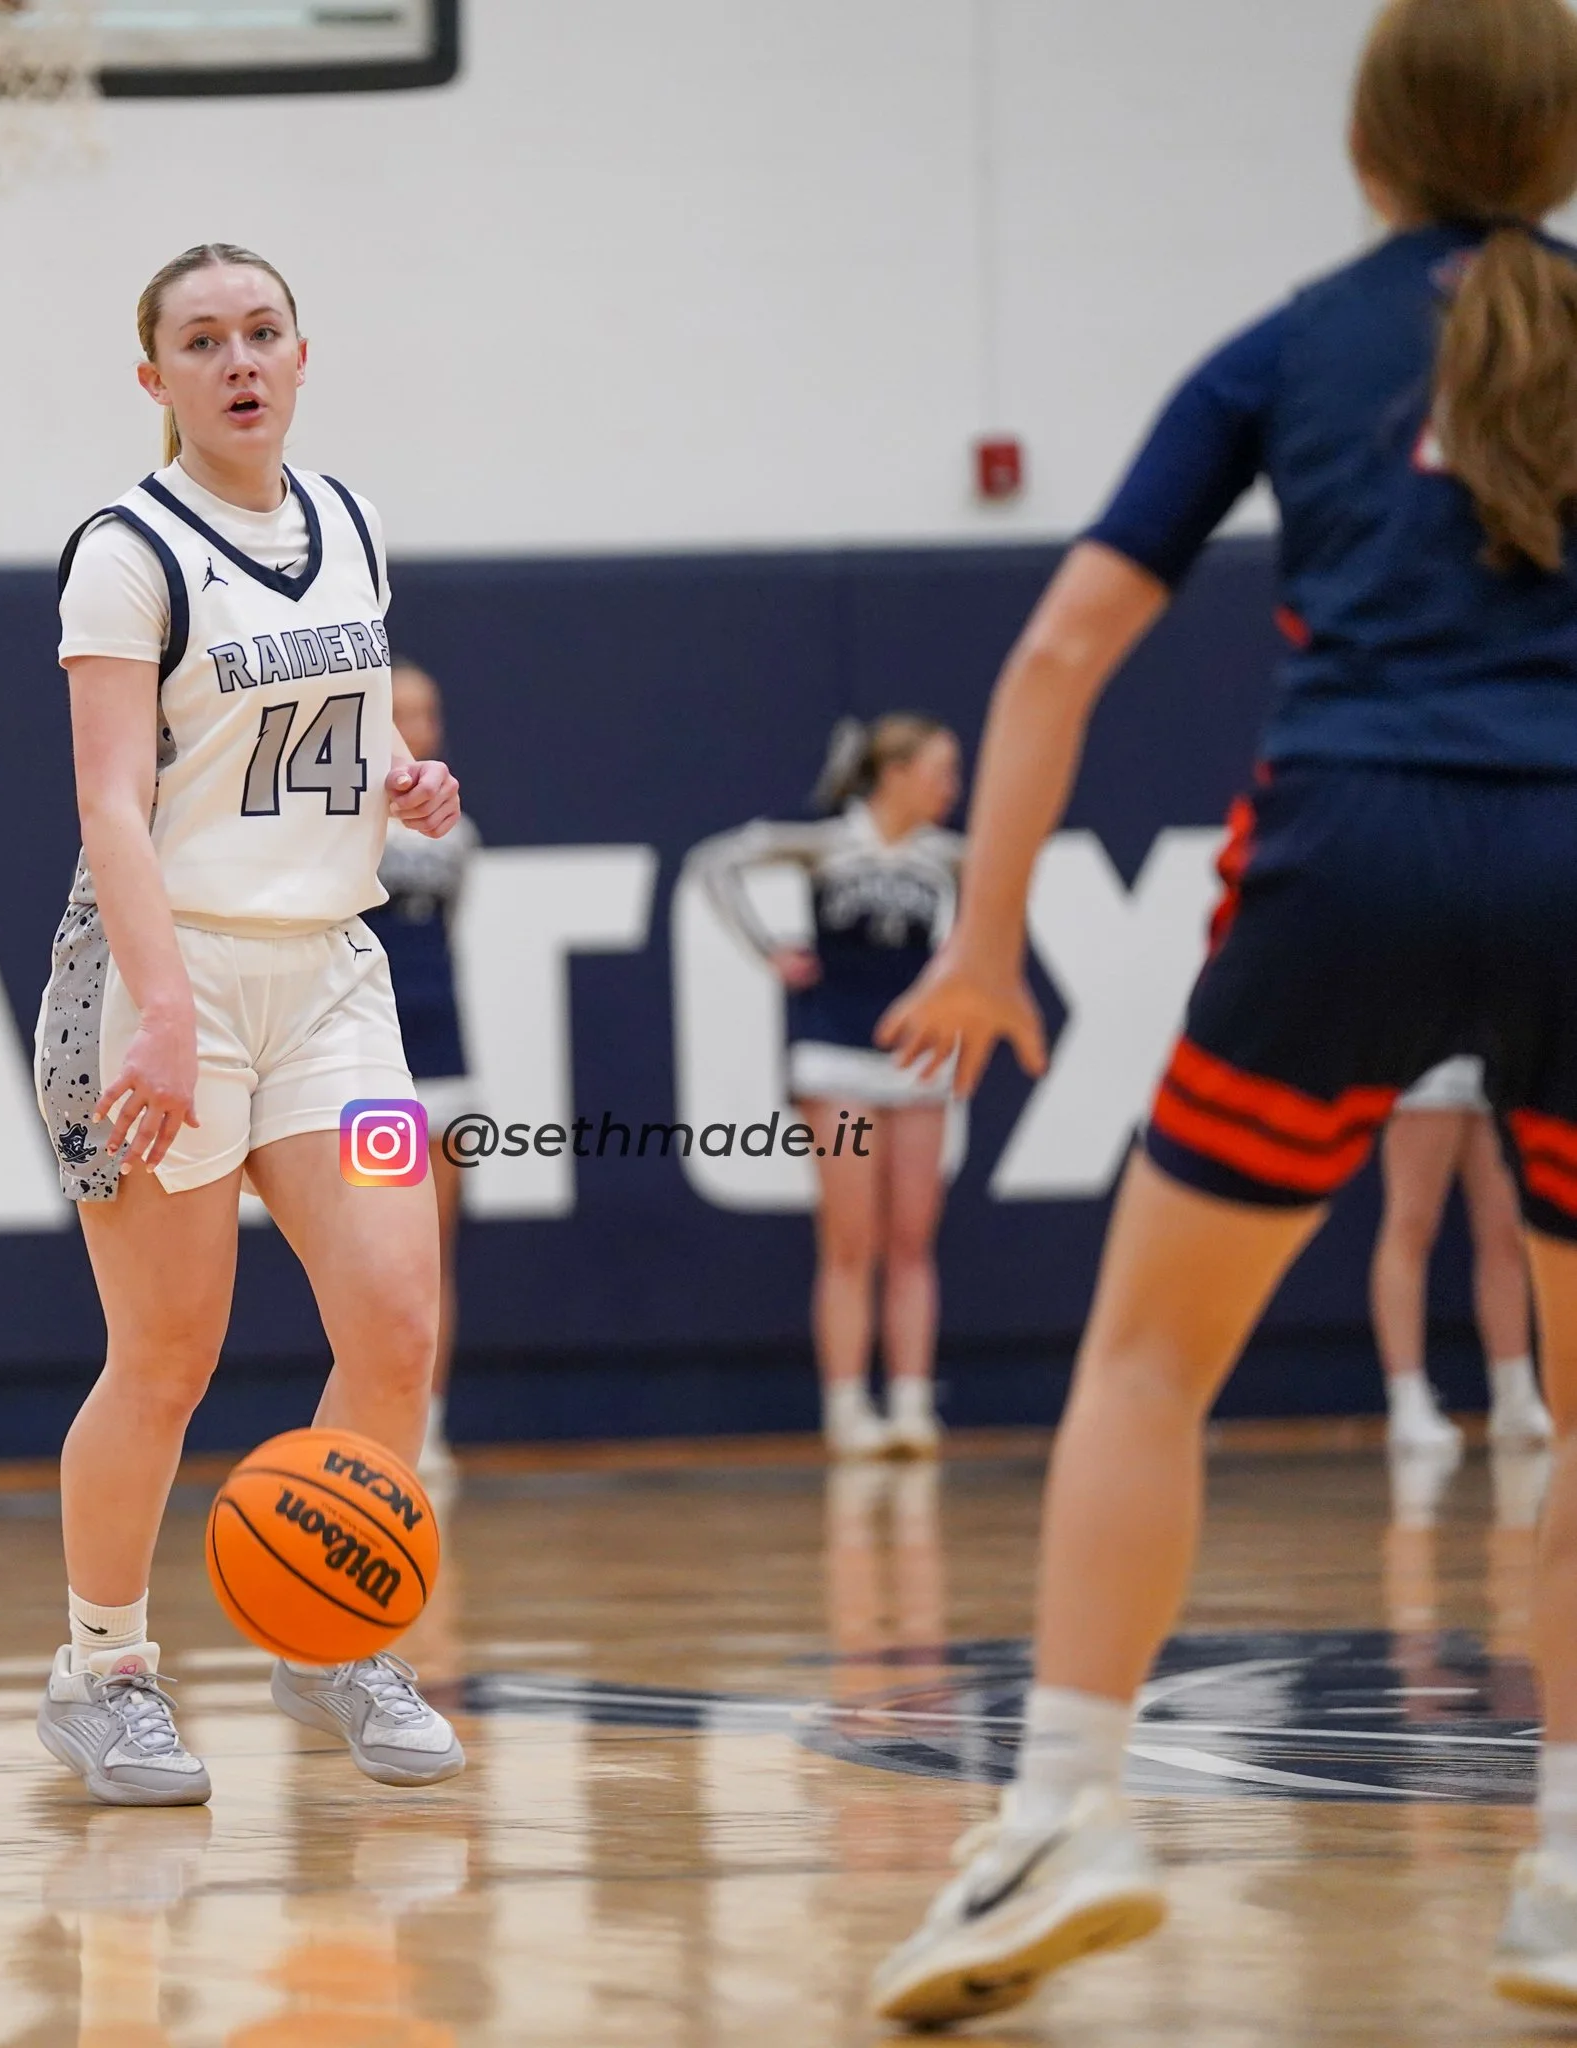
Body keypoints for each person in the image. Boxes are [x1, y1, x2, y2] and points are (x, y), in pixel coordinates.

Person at [866, 0, 1577, 2021]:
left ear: (1365, 145)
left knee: (1145, 1363)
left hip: (1342, 856)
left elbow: (1053, 655)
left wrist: (986, 942)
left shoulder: (1284, 342)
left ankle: (1058, 1815)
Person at [30, 243, 466, 1807]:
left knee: (398, 1324)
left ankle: (334, 1635)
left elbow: (327, 741)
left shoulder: (346, 519)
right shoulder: (126, 549)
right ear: (155, 379)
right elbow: (109, 801)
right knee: (168, 1354)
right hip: (167, 979)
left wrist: (399, 782)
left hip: (332, 976)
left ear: (300, 351)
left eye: (262, 331)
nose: (238, 359)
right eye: (202, 340)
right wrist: (156, 1015)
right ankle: (104, 1670)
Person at [690, 715, 964, 1457]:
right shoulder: (823, 842)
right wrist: (766, 949)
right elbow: (716, 863)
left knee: (912, 1239)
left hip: (914, 1058)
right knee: (851, 1241)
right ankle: (846, 1408)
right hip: (834, 1055)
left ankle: (910, 1405)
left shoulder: (945, 856)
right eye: (940, 770)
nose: (951, 787)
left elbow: (1002, 897)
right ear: (895, 772)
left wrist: (958, 976)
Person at [373, 660, 481, 1481]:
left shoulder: (458, 828)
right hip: (366, 1059)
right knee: (374, 1254)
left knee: (431, 1255)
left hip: (441, 1053)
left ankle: (429, 1424)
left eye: (430, 709)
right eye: (403, 709)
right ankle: (378, 1426)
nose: (421, 723)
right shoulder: (337, 811)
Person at [1373, 1055, 1554, 1450]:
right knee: (1413, 1223)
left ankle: (1515, 1394)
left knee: (1507, 1232)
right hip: (1430, 1057)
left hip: (1497, 1059)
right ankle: (1407, 1397)